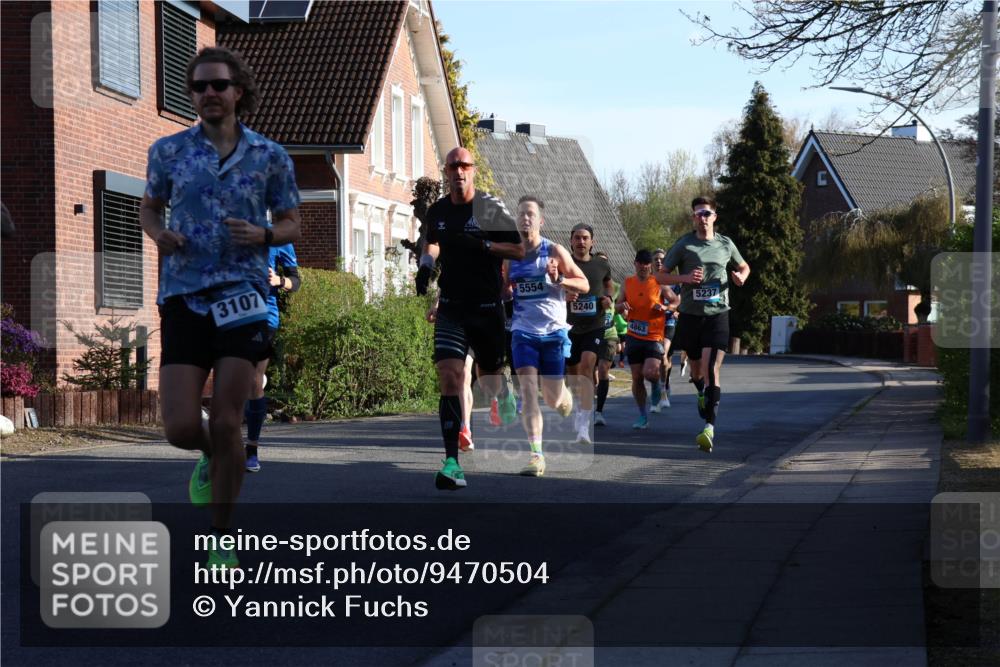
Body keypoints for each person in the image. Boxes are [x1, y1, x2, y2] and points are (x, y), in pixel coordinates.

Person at [140, 46, 301, 568]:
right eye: (199, 86)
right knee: (182, 427)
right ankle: (212, 453)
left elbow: (294, 224)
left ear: (239, 93)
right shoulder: (167, 152)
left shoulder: (271, 156)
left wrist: (264, 234)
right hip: (184, 297)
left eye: (219, 85)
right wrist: (158, 232)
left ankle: (222, 536)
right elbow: (148, 206)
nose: (209, 93)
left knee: (231, 420)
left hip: (245, 297)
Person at [417, 147, 524, 490]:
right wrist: (425, 266)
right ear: (446, 171)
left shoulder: (490, 208)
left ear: (473, 171)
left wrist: (484, 246)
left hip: (486, 307)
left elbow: (519, 249)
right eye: (453, 166)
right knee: (450, 375)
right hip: (451, 307)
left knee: (490, 374)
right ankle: (452, 463)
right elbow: (432, 243)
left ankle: (501, 389)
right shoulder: (438, 211)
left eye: (464, 165)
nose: (458, 171)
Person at [657, 196, 750, 452]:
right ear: (693, 217)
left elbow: (744, 266)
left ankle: (709, 428)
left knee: (711, 370)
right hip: (690, 315)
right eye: (698, 214)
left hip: (718, 313)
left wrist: (740, 276)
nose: (702, 218)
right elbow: (659, 275)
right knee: (698, 373)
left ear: (714, 217)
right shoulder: (684, 245)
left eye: (707, 213)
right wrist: (685, 277)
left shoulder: (725, 244)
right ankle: (701, 392)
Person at [505, 196, 588, 476]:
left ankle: (562, 396)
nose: (525, 219)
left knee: (552, 398)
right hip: (523, 332)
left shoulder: (553, 251)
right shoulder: (512, 257)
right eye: (521, 214)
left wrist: (559, 280)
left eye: (530, 214)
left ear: (541, 221)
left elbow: (584, 284)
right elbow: (504, 289)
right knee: (528, 392)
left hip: (553, 332)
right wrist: (506, 292)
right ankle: (536, 455)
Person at [244, 243, 300, 472]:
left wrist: (279, 281)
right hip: (228, 312)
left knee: (252, 379)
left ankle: (251, 449)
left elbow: (295, 281)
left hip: (264, 316)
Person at [616, 249, 677, 430]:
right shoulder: (627, 283)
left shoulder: (658, 282)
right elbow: (617, 306)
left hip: (653, 336)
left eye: (646, 263)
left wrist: (665, 307)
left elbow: (675, 301)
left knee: (650, 372)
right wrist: (622, 306)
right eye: (640, 263)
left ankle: (657, 385)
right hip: (633, 335)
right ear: (635, 263)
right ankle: (643, 415)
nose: (643, 267)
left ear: (650, 265)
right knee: (636, 377)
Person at [564, 224, 613, 444]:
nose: (581, 242)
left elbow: (608, 285)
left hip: (595, 324)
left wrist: (608, 298)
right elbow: (553, 286)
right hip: (568, 326)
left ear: (592, 242)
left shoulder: (601, 264)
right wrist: (564, 294)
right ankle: (578, 409)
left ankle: (584, 425)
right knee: (573, 375)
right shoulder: (564, 263)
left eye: (585, 238)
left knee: (587, 364)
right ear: (571, 241)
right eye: (577, 238)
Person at [650, 249, 679, 412]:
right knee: (661, 360)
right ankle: (663, 387)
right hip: (652, 325)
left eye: (662, 259)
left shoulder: (673, 282)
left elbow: (678, 303)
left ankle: (663, 391)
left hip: (668, 323)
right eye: (656, 259)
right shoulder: (647, 280)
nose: (659, 262)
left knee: (663, 356)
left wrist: (670, 308)